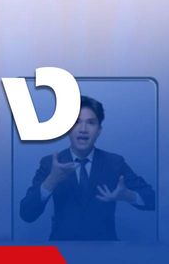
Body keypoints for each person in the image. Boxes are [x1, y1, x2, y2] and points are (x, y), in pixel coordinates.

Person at [19, 95, 155, 240]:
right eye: (76, 122)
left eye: (91, 123)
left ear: (99, 130)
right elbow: (26, 214)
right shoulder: (51, 163)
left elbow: (152, 199)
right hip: (63, 248)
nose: (83, 129)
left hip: (105, 249)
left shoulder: (114, 162)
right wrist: (51, 182)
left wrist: (128, 195)